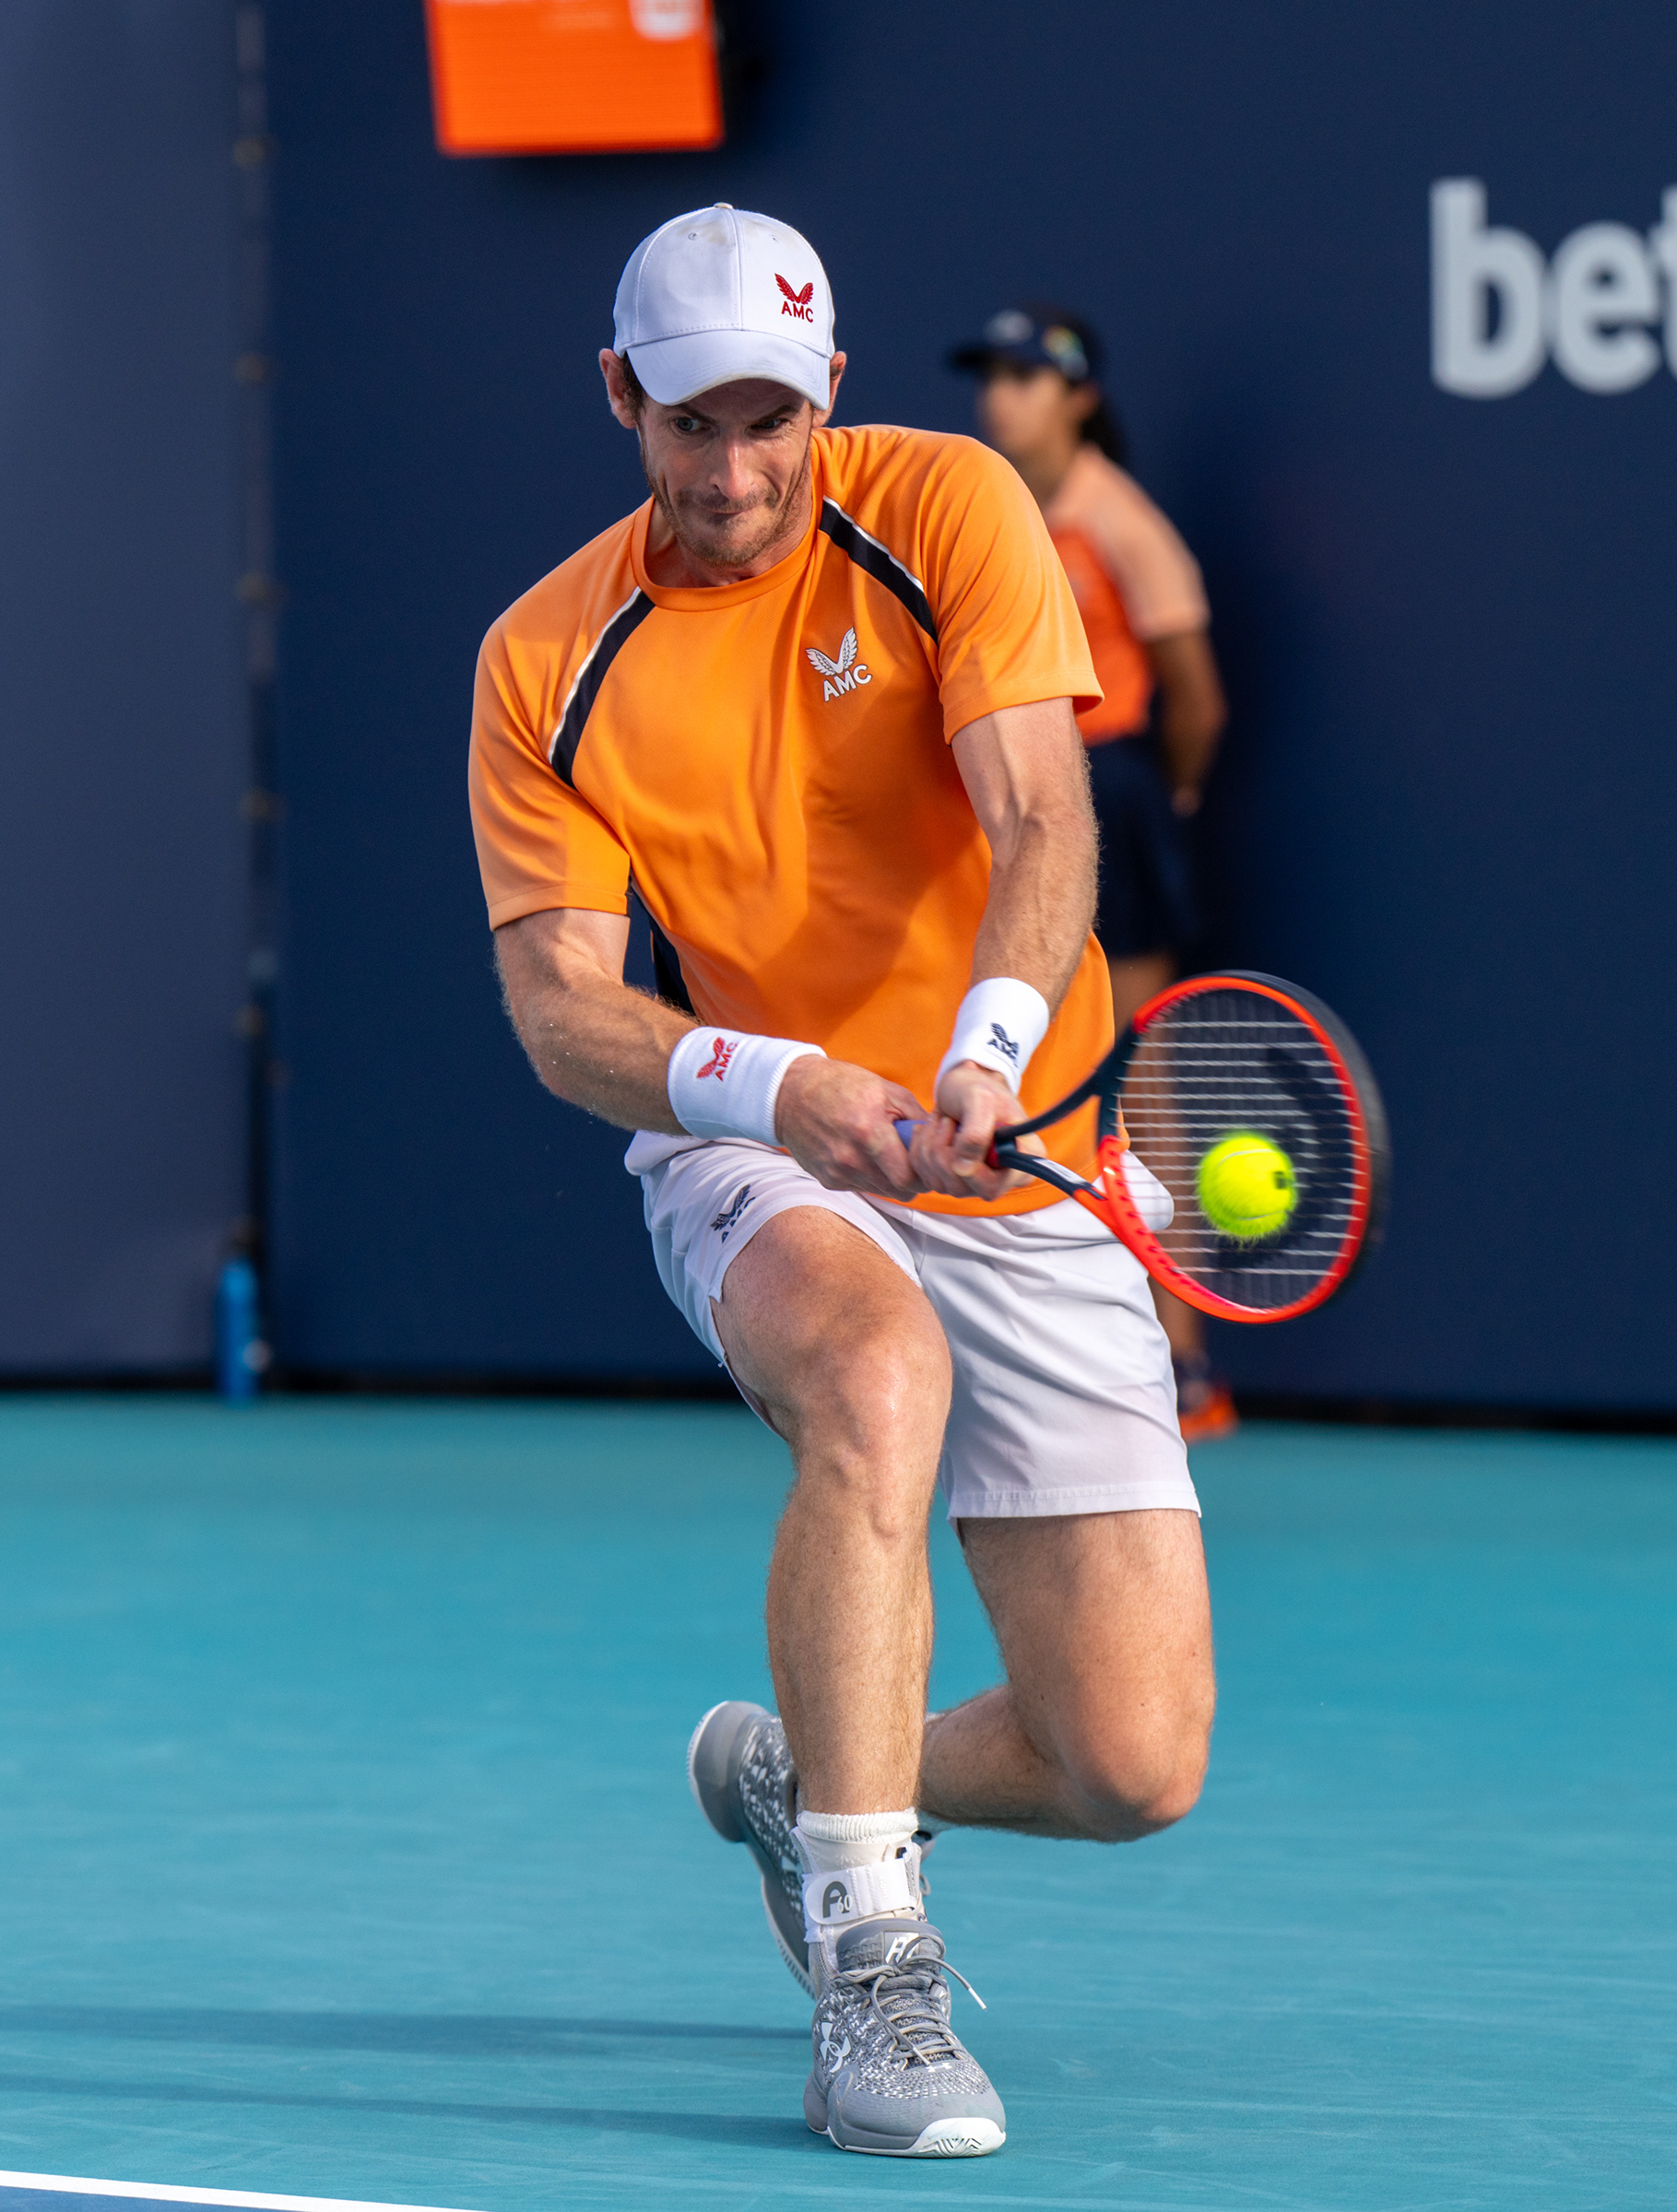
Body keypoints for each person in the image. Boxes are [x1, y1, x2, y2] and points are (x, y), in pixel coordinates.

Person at [468, 206, 1214, 2160]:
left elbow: (1040, 813)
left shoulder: (951, 503)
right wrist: (780, 1085)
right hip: (753, 1132)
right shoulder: (546, 656)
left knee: (1129, 1762)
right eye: (690, 422)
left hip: (1014, 1139)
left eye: (770, 420)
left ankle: (816, 1782)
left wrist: (983, 1052)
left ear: (831, 396)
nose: (735, 470)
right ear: (619, 397)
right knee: (876, 1377)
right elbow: (561, 1012)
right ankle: (874, 1970)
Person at [951, 308, 1236, 1441]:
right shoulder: (979, 515)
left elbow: (1194, 697)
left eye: (1025, 377)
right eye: (992, 375)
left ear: (1077, 397)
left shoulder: (1120, 520)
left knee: (1137, 1082)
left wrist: (1163, 796)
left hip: (1109, 793)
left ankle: (1185, 1361)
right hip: (1002, 804)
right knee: (1007, 1069)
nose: (1000, 396)